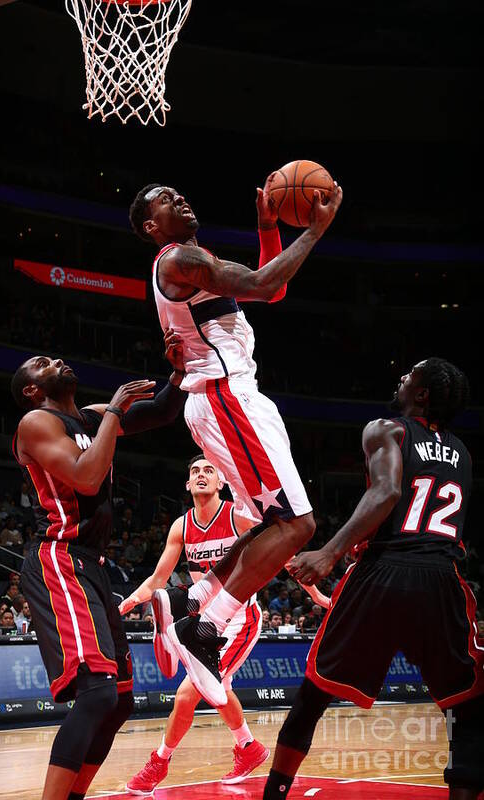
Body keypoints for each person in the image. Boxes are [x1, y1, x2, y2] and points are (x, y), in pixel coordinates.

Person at [128, 177, 342, 706]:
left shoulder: (192, 260)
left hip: (225, 398)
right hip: (226, 397)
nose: (181, 198)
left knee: (275, 524)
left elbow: (272, 285)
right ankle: (206, 630)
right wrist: (314, 231)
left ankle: (193, 601)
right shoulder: (177, 259)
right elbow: (267, 285)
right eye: (166, 201)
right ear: (153, 227)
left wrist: (269, 228)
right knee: (299, 526)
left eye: (181, 192)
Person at [263, 358, 483, 800]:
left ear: (421, 395)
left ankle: (275, 793)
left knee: (313, 695)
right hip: (442, 580)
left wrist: (329, 552)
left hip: (382, 572)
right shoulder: (463, 452)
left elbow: (386, 492)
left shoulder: (388, 429)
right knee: (467, 709)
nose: (403, 376)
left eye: (412, 374)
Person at [11, 329, 187, 800]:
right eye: (44, 361)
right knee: (97, 694)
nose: (58, 359)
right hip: (58, 559)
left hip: (92, 564)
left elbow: (166, 409)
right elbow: (88, 480)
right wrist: (112, 410)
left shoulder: (88, 418)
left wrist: (179, 366)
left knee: (120, 699)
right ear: (32, 388)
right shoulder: (36, 421)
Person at [120, 455, 269, 793]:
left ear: (221, 482)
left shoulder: (237, 516)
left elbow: (281, 551)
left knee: (187, 693)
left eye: (208, 471)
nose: (201, 475)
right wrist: (124, 606)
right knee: (220, 689)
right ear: (188, 484)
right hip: (205, 621)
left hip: (239, 619)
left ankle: (159, 763)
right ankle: (249, 748)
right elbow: (158, 578)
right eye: (195, 471)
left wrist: (316, 592)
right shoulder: (181, 526)